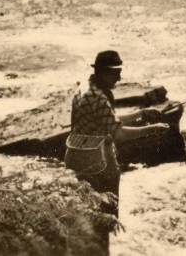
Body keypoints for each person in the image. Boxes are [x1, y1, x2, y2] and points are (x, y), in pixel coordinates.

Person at [65, 50, 170, 251]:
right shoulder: (100, 98)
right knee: (105, 219)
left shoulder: (85, 88)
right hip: (99, 164)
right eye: (115, 73)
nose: (119, 77)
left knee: (87, 218)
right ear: (103, 72)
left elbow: (106, 120)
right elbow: (118, 133)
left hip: (77, 157)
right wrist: (153, 129)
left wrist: (141, 113)